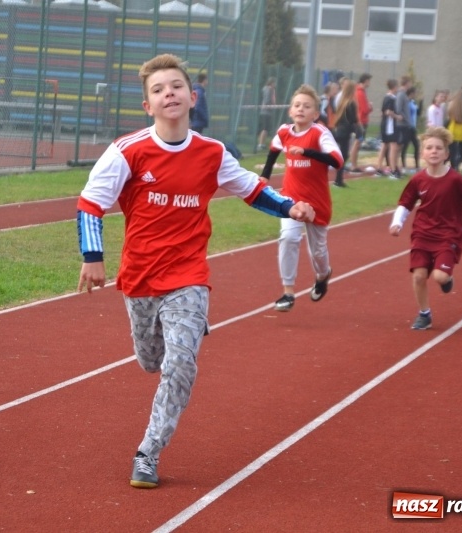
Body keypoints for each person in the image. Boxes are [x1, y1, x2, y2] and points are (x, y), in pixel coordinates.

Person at [75, 54, 314, 489]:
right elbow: (91, 203)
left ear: (192, 95)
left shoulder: (211, 152)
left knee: (180, 363)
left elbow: (250, 187)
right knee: (152, 361)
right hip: (140, 279)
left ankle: (148, 451)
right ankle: (171, 337)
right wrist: (93, 256)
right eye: (159, 89)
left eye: (176, 86)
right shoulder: (128, 152)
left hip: (188, 276)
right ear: (147, 105)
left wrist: (288, 205)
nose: (169, 93)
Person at [389, 127, 462, 330]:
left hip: (448, 236)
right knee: (419, 276)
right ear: (422, 153)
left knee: (439, 277)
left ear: (446, 153)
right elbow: (405, 203)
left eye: (439, 148)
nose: (434, 151)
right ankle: (424, 314)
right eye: (429, 147)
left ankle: (447, 279)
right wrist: (397, 222)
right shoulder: (418, 179)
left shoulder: (455, 179)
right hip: (422, 234)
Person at [259, 83, 343, 311]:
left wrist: (307, 152)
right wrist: (265, 175)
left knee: (317, 252)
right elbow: (274, 148)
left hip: (317, 202)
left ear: (315, 114)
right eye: (297, 105)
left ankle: (323, 275)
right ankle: (288, 292)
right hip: (291, 198)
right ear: (290, 110)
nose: (301, 109)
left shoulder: (319, 133)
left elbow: (337, 161)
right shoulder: (284, 132)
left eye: (307, 106)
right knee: (288, 238)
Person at [328, 78, 360, 187]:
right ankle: (338, 180)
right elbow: (353, 119)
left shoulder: (342, 101)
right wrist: (357, 130)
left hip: (339, 130)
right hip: (345, 132)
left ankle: (339, 179)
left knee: (342, 155)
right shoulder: (351, 103)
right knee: (343, 155)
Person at [375, 78, 399, 178]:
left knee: (384, 146)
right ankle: (393, 170)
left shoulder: (388, 97)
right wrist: (397, 116)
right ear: (394, 87)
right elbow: (387, 111)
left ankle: (379, 168)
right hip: (389, 126)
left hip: (385, 124)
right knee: (393, 146)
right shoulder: (390, 98)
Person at [348, 73, 372, 173]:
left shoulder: (358, 91)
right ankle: (353, 166)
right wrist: (370, 107)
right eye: (369, 81)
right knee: (357, 143)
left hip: (359, 120)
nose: (370, 83)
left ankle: (354, 164)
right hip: (361, 121)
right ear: (365, 81)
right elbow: (364, 109)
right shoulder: (360, 92)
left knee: (358, 143)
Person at [446, 87, 462, 175]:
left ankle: (454, 168)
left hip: (453, 130)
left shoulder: (452, 106)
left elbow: (449, 117)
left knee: (453, 152)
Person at [400, 86, 420, 172]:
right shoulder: (407, 102)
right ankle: (403, 166)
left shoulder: (413, 102)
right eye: (415, 93)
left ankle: (416, 166)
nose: (416, 95)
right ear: (411, 93)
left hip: (413, 127)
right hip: (407, 127)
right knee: (405, 146)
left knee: (416, 146)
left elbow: (418, 113)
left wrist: (421, 102)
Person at [256, 77, 276, 150]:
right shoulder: (269, 89)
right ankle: (260, 144)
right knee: (264, 128)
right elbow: (268, 100)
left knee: (266, 129)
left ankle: (262, 144)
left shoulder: (267, 89)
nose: (275, 84)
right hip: (266, 111)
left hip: (266, 111)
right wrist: (270, 105)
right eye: (274, 83)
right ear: (271, 83)